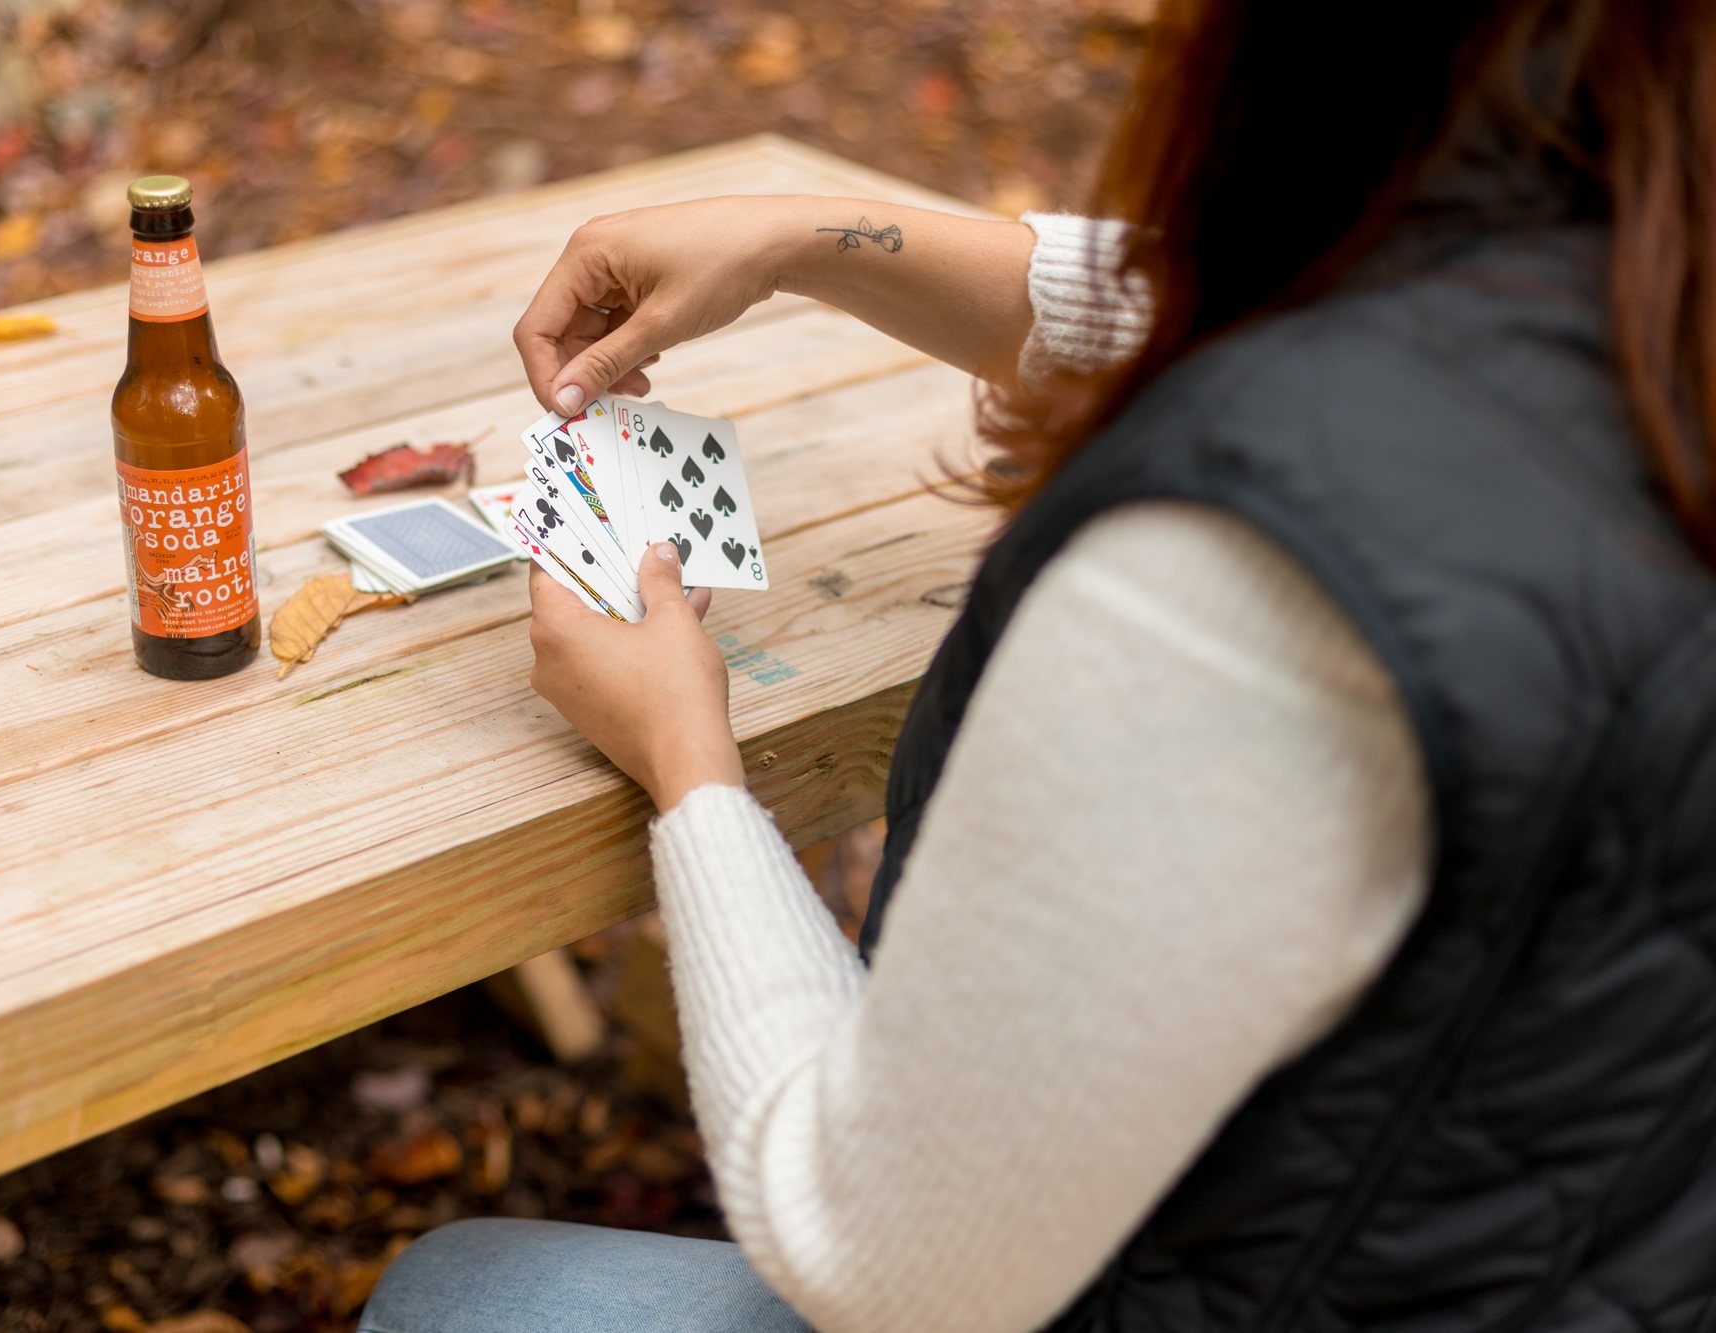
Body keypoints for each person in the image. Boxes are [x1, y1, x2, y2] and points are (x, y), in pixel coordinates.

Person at [365, 1, 1716, 1329]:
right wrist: (808, 240)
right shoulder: (1657, 280)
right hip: (1558, 1237)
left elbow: (881, 1258)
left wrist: (688, 762)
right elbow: (1238, 296)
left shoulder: (1253, 564)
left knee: (460, 1294)